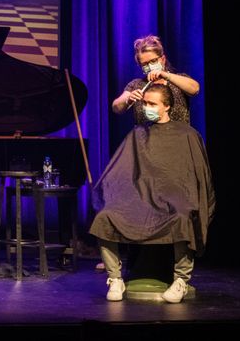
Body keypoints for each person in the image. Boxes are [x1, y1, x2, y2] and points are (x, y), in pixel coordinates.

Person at [90, 84, 215, 303]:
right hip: (139, 200)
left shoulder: (187, 134)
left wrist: (187, 197)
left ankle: (181, 281)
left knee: (183, 217)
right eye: (144, 103)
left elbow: (198, 176)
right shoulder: (138, 133)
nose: (146, 107)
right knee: (105, 217)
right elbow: (120, 171)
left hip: (176, 199)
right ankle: (115, 278)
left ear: (167, 106)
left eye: (152, 104)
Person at [111, 34, 200, 124]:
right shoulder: (136, 85)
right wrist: (128, 99)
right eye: (144, 64)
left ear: (163, 59)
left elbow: (195, 89)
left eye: (153, 61)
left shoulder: (178, 79)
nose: (149, 66)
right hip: (147, 137)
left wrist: (165, 75)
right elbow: (116, 107)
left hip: (179, 136)